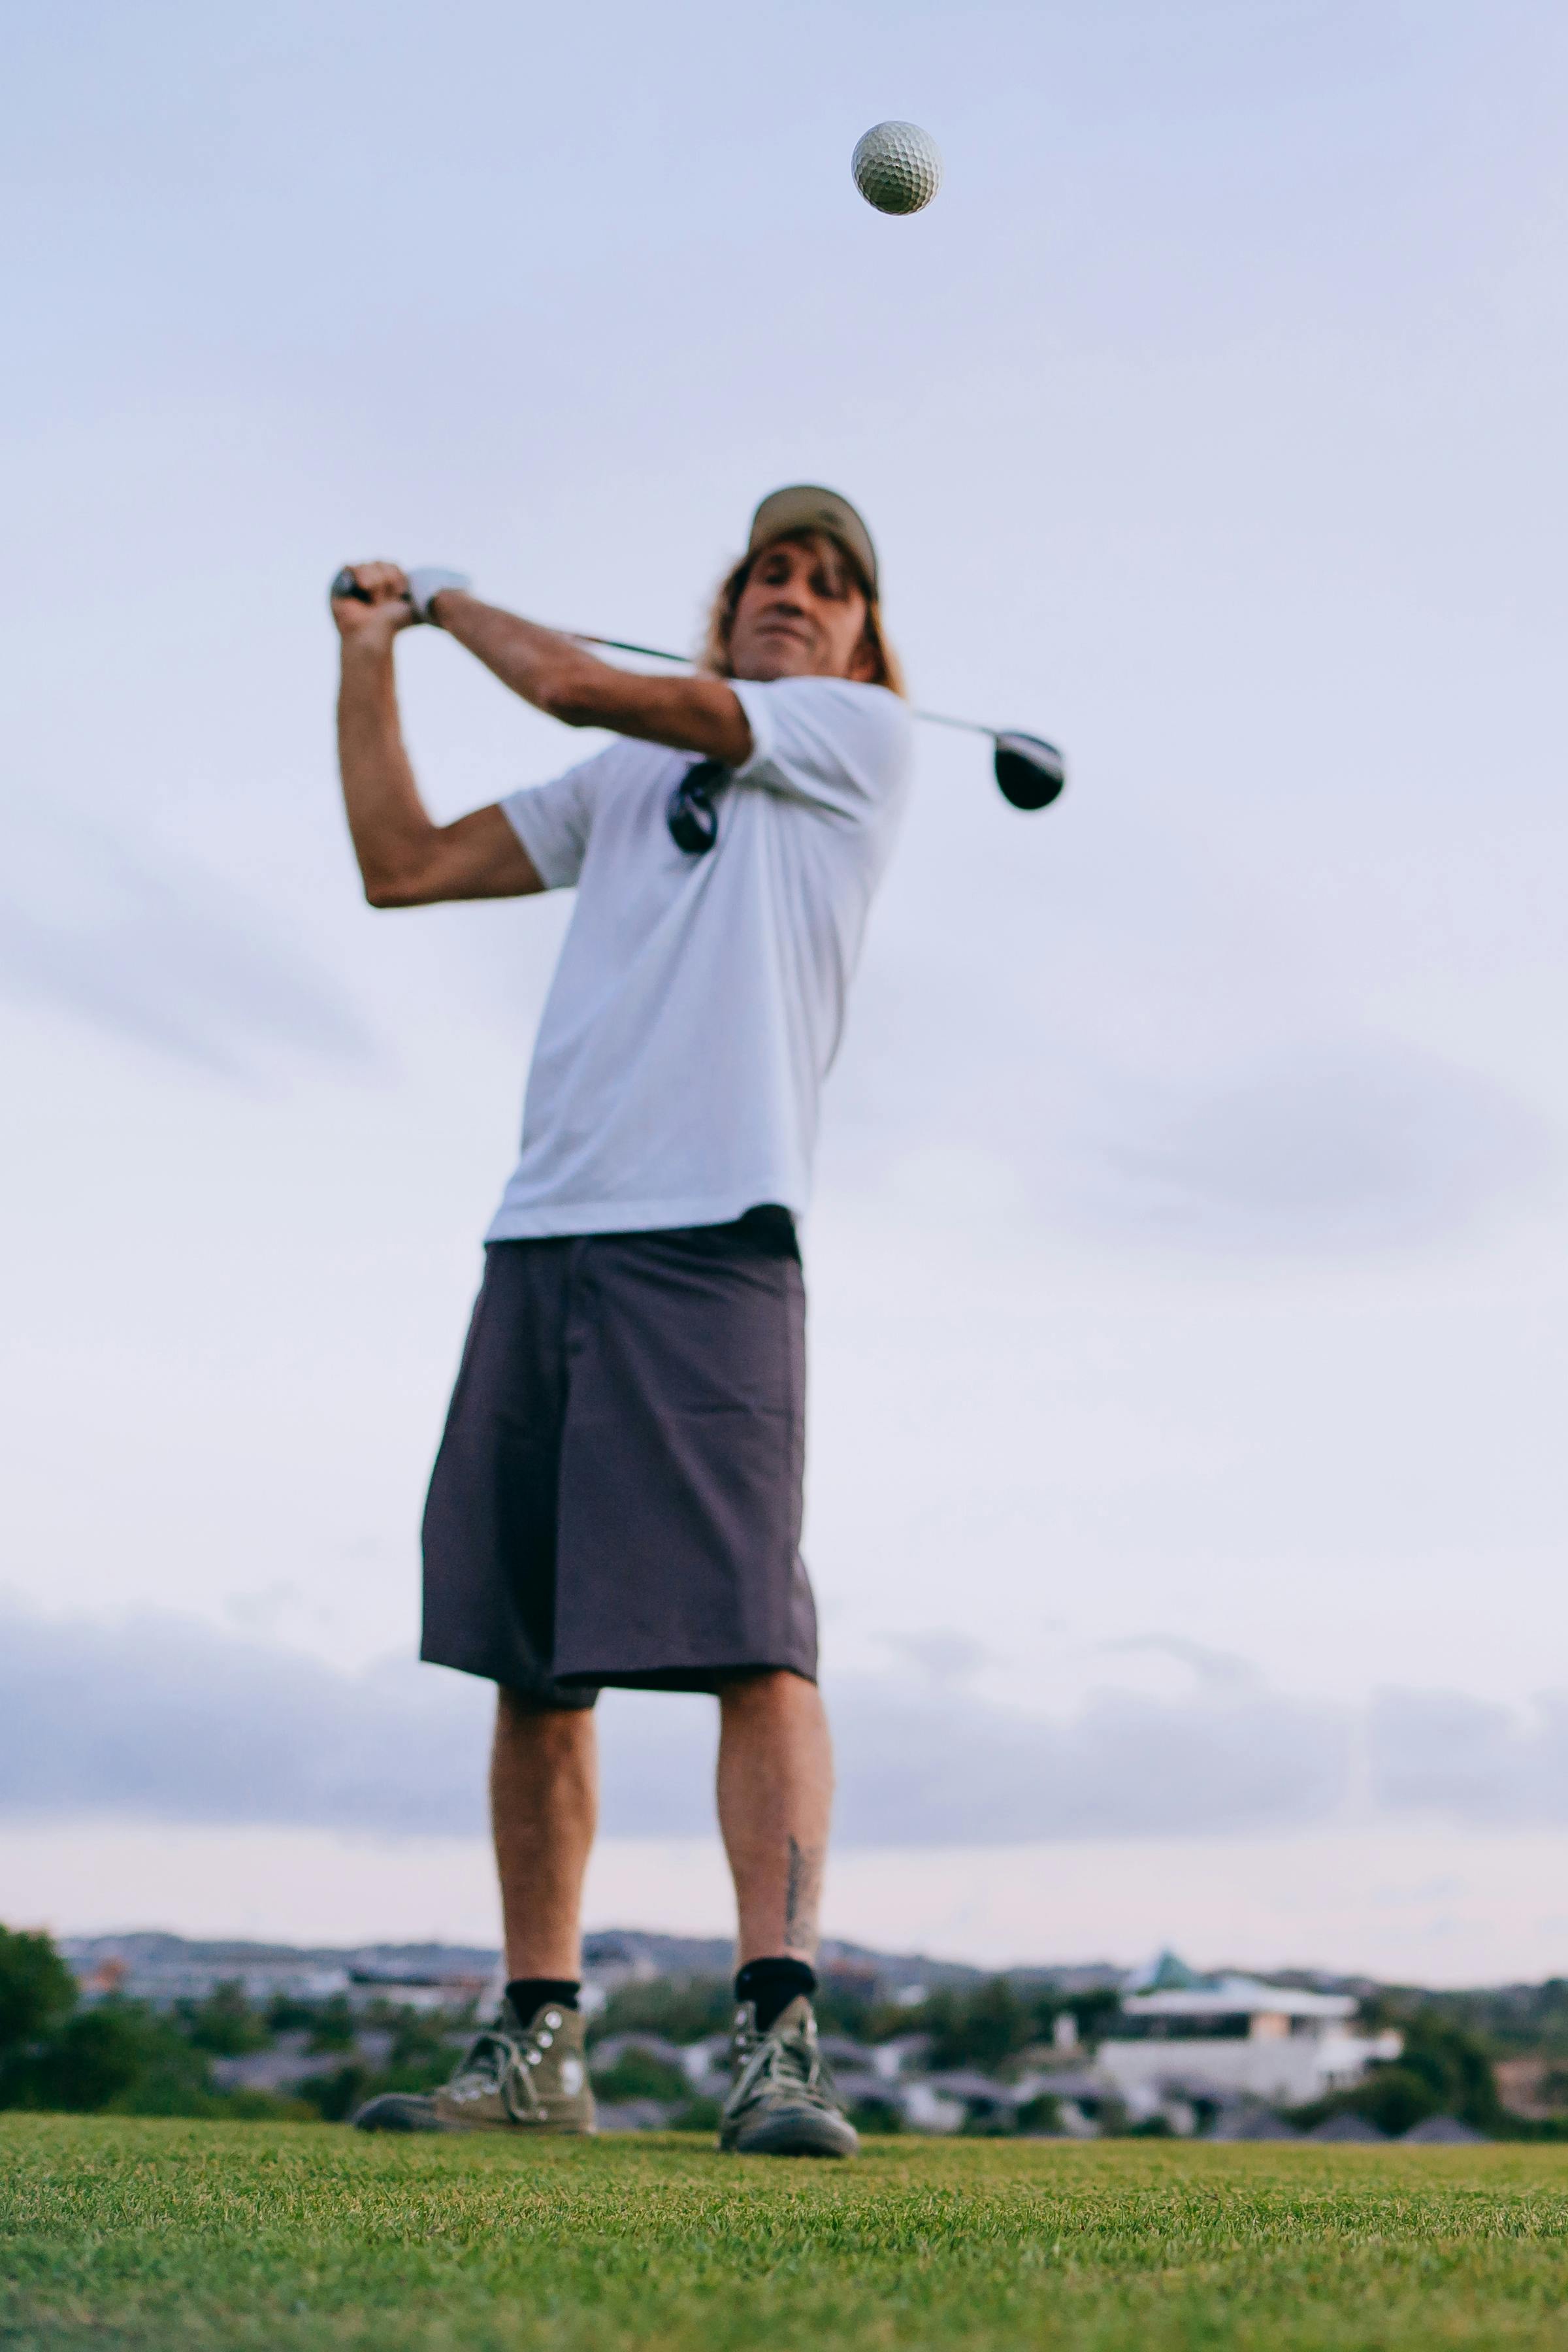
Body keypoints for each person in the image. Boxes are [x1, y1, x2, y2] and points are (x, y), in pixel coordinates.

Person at [332, 487, 911, 2156]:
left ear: (865, 642)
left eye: (830, 583)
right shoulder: (626, 785)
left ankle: (779, 2043)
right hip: (546, 1236)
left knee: (755, 1638)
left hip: (715, 1238)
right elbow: (404, 864)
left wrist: (442, 593)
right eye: (770, 575)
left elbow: (587, 684)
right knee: (533, 1657)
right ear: (726, 606)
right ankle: (539, 2052)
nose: (796, 596)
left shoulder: (848, 744)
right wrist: (373, 658)